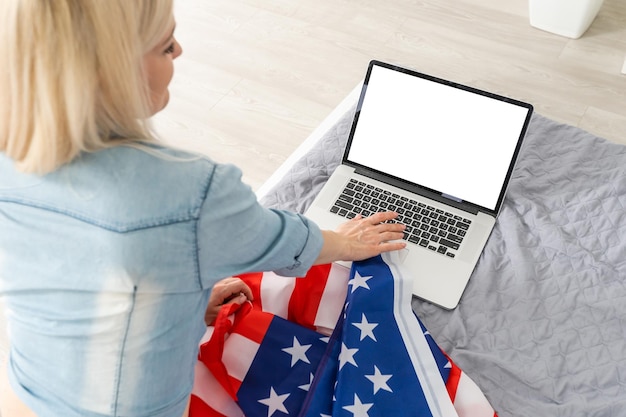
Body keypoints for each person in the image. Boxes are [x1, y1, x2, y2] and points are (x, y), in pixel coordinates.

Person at [0, 1, 406, 416]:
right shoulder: (191, 190)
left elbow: (65, 266)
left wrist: (179, 300)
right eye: (163, 45)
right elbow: (285, 244)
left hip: (20, 396)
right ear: (115, 72)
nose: (178, 50)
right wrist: (344, 241)